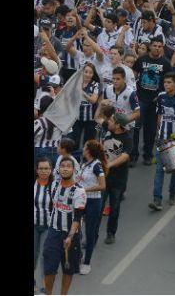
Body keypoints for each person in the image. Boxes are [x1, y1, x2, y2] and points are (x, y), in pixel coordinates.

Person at [42, 157, 86, 295]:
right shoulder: (54, 185)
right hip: (54, 232)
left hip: (71, 235)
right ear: (58, 169)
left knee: (68, 268)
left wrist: (70, 236)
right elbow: (51, 204)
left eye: (68, 166)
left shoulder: (79, 191)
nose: (65, 168)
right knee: (49, 267)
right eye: (62, 166)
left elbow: (78, 217)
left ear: (73, 170)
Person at [150, 72, 175, 210]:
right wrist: (157, 134)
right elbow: (160, 115)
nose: (166, 85)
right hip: (163, 138)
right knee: (159, 169)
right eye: (165, 82)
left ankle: (173, 193)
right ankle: (157, 199)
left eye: (169, 82)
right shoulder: (161, 96)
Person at [133, 36, 173, 166]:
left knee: (150, 130)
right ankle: (133, 156)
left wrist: (162, 95)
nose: (157, 48)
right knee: (136, 127)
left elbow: (170, 82)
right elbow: (133, 74)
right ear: (150, 46)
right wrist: (134, 92)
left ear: (162, 48)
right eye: (155, 45)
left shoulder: (166, 63)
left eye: (159, 46)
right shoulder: (142, 59)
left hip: (155, 101)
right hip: (141, 98)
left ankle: (147, 155)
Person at [100, 112, 132, 245]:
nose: (109, 122)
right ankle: (92, 235)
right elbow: (98, 118)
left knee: (114, 208)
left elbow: (124, 157)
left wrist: (109, 165)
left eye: (112, 121)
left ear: (118, 125)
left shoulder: (127, 139)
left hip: (118, 179)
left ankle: (110, 233)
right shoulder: (107, 130)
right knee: (97, 207)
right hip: (103, 177)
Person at [77, 139, 107, 275]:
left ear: (88, 150)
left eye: (84, 147)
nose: (82, 149)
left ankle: (87, 262)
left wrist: (85, 190)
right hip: (81, 202)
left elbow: (102, 186)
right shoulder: (84, 164)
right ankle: (78, 256)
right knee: (76, 230)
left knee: (90, 233)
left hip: (93, 203)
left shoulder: (97, 165)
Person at [34, 158, 53, 294]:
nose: (44, 171)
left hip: (48, 226)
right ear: (37, 170)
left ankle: (46, 287)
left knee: (44, 256)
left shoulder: (55, 186)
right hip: (34, 225)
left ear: (51, 170)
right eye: (41, 168)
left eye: (46, 168)